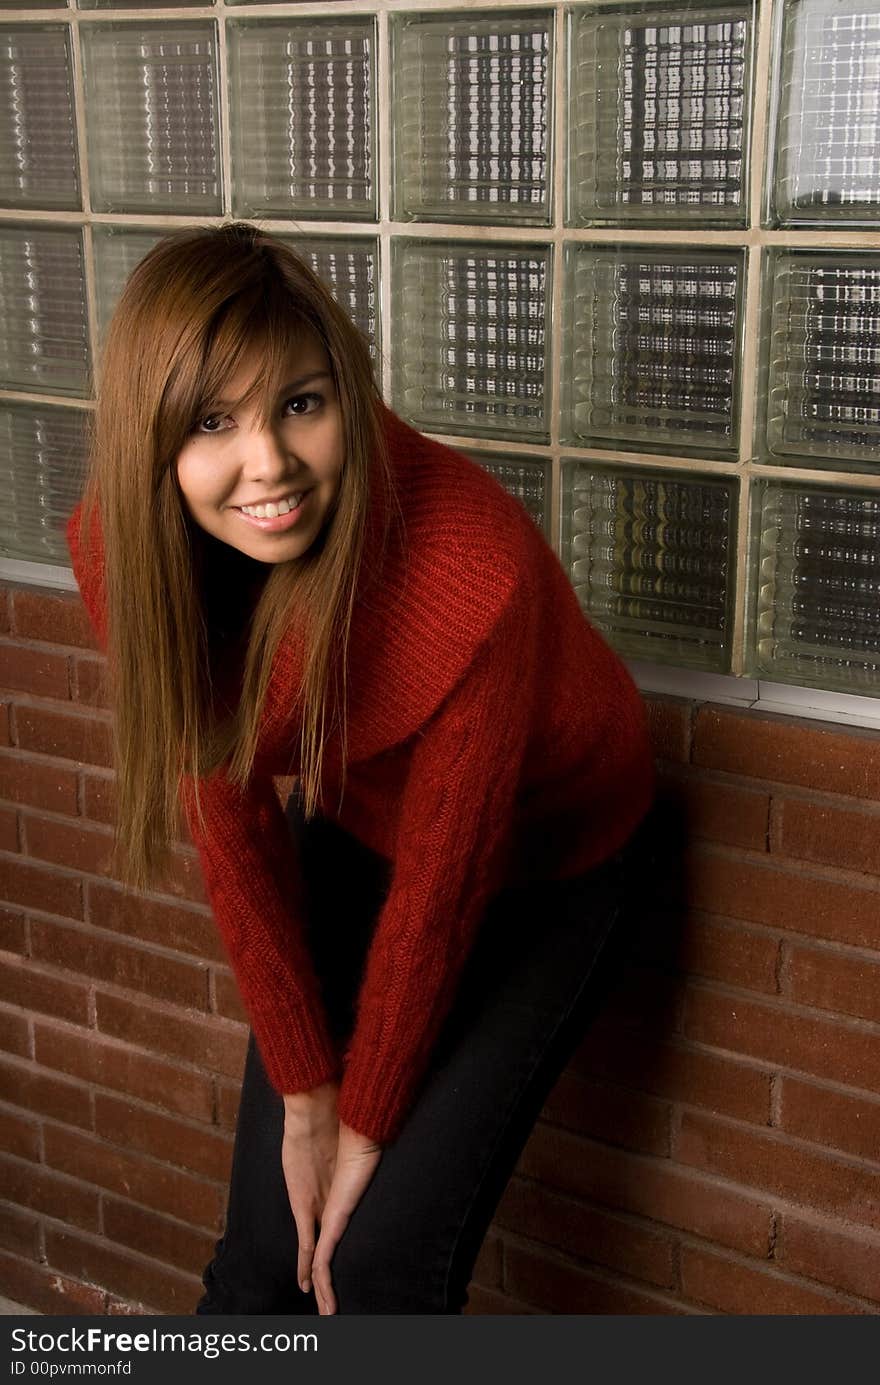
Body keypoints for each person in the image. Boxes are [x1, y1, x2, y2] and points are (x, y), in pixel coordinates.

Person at [65, 221, 657, 1316]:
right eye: (210, 421)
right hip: (355, 820)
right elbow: (227, 816)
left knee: (370, 1262)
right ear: (149, 439)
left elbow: (442, 888)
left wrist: (366, 1115)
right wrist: (304, 1091)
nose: (270, 465)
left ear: (346, 391)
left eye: (300, 402)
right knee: (264, 1256)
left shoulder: (473, 568)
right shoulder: (130, 549)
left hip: (549, 861)